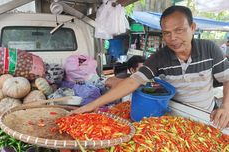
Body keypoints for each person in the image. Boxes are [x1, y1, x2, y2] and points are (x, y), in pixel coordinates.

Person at [71, 6, 229, 130]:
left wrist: (225, 106)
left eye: (179, 30)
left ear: (193, 27)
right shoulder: (160, 57)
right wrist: (91, 105)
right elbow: (132, 82)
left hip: (207, 115)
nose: (173, 38)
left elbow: (227, 78)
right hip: (175, 117)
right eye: (166, 33)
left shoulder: (210, 49)